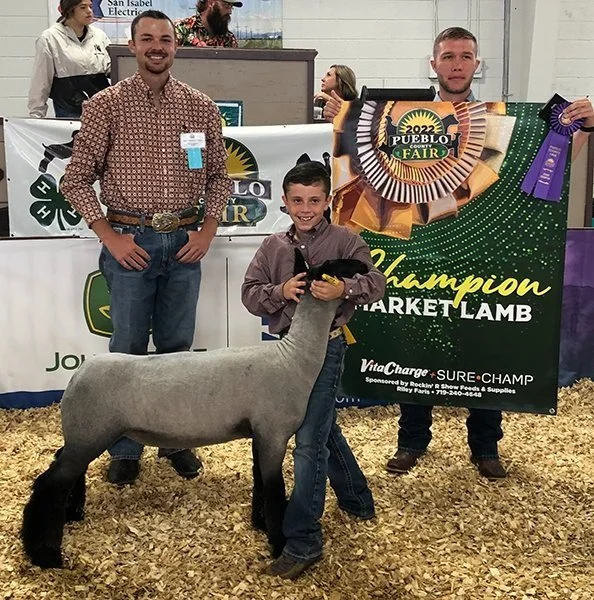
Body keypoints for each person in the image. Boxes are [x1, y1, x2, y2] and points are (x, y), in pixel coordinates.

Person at [324, 26, 594, 480]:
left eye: (465, 56)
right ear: (434, 64)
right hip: (421, 252)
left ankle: (485, 446)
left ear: (476, 64)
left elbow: (551, 161)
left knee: (483, 343)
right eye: (448, 56)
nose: (456, 64)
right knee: (414, 345)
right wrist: (342, 118)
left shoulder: (502, 121)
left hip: (481, 253)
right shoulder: (398, 119)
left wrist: (582, 124)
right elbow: (357, 158)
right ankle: (411, 441)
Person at [61, 9, 232, 486]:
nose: (157, 47)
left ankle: (175, 439)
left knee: (177, 351)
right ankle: (125, 447)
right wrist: (109, 237)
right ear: (132, 46)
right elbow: (75, 180)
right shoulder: (106, 106)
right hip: (129, 243)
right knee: (128, 351)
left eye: (165, 39)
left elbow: (219, 176)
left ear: (176, 46)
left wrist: (207, 230)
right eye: (147, 39)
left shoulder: (200, 107)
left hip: (184, 245)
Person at [242, 161, 386, 580]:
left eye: (314, 200)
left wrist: (345, 288)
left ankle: (304, 540)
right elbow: (250, 295)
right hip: (283, 353)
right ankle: (357, 499)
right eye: (298, 201)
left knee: (308, 442)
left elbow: (377, 284)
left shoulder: (346, 240)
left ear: (327, 202)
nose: (306, 208)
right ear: (285, 202)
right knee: (321, 427)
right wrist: (281, 290)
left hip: (326, 349)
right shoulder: (272, 247)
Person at [28, 0, 111, 119]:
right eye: (83, 7)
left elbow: (112, 68)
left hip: (102, 111)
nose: (89, 11)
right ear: (70, 10)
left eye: (90, 7)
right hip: (70, 112)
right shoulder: (50, 38)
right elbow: (41, 81)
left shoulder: (99, 36)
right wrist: (36, 117)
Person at [175, 0, 242, 48]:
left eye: (231, 7)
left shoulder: (229, 39)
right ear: (210, 3)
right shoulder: (182, 29)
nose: (230, 12)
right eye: (226, 5)